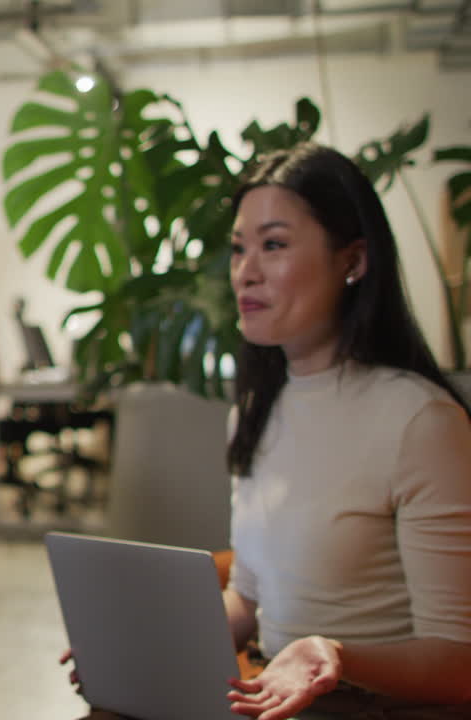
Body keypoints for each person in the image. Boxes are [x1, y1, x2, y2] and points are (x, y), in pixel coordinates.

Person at [222, 143, 471, 719]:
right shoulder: (255, 411)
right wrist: (142, 640)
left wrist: (336, 658)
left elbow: (458, 669)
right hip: (278, 703)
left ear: (353, 260)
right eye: (239, 249)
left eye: (274, 245)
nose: (246, 271)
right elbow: (251, 596)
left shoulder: (419, 421)